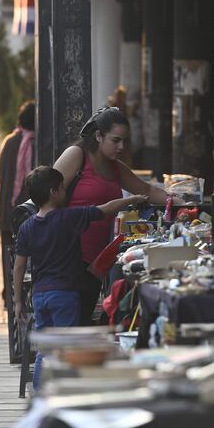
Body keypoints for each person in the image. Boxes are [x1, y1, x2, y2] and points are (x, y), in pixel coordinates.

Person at [13, 165, 146, 389]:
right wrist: (133, 199)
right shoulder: (68, 217)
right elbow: (105, 209)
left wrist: (17, 301)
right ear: (54, 192)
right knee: (67, 350)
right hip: (64, 295)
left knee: (45, 352)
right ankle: (61, 395)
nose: (66, 193)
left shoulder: (27, 227)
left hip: (40, 296)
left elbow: (19, 267)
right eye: (63, 189)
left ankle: (39, 396)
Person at [53, 107, 172, 325]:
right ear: (98, 136)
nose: (121, 147)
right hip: (67, 257)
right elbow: (47, 194)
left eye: (124, 141)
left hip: (96, 262)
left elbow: (146, 191)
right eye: (115, 140)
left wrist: (179, 199)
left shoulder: (115, 168)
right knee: (67, 324)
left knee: (82, 320)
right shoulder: (76, 155)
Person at [0, 101, 35, 306]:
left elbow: (1, 178)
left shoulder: (9, 142)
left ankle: (9, 293)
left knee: (9, 252)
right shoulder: (37, 143)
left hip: (8, 210)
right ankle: (23, 293)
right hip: (32, 209)